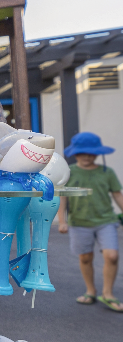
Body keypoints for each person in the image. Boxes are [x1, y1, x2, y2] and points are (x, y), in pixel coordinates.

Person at [57, 132, 123, 312]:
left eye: (91, 152)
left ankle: (108, 293)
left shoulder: (106, 172)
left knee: (112, 256)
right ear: (75, 153)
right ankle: (91, 290)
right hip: (79, 222)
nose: (87, 156)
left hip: (106, 221)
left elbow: (117, 194)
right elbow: (63, 197)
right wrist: (62, 221)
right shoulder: (69, 172)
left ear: (98, 153)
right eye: (82, 152)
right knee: (85, 258)